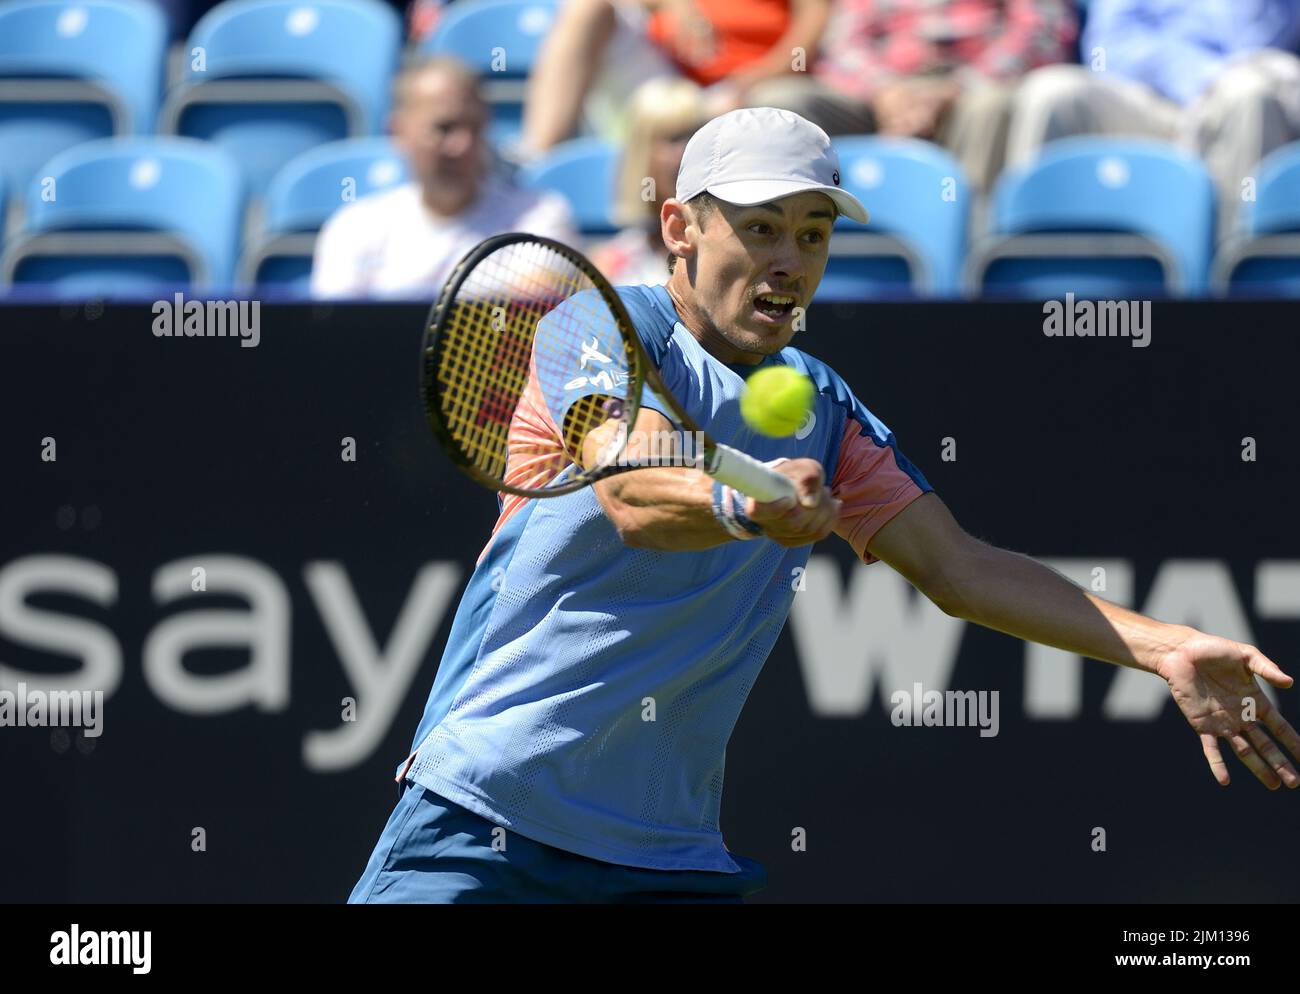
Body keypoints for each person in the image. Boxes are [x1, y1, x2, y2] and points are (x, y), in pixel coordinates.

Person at [350, 107, 1300, 904]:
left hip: (665, 857)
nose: (790, 261)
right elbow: (633, 490)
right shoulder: (598, 321)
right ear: (680, 227)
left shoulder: (824, 405)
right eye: (760, 228)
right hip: (482, 823)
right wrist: (747, 510)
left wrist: (1162, 645)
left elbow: (959, 569)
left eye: (813, 233)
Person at [1007, 0, 1300, 230]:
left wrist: (1219, 83)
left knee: (1247, 94)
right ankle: (1025, 266)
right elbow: (1110, 45)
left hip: (1240, 100)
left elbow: (1255, 41)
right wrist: (1199, 76)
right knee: (1050, 93)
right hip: (1150, 96)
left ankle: (1230, 276)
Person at [310, 57, 578, 300]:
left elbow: (529, 319)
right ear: (398, 131)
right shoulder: (354, 228)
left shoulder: (540, 218)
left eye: (474, 127)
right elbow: (336, 335)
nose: (462, 144)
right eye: (444, 128)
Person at [751, 0, 1078, 191]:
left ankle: (964, 250)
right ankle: (790, 251)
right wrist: (884, 90)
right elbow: (842, 41)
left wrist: (957, 89)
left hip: (972, 88)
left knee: (993, 107)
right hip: (880, 90)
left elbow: (1040, 33)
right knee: (781, 101)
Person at [519, 0, 830, 156]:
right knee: (587, 8)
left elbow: (811, 31)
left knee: (763, 103)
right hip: (666, 76)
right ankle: (536, 159)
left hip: (748, 89)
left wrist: (753, 79)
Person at [589, 77, 707, 286]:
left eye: (697, 136)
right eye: (674, 138)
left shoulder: (733, 249)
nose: (689, 150)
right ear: (642, 156)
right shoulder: (613, 267)